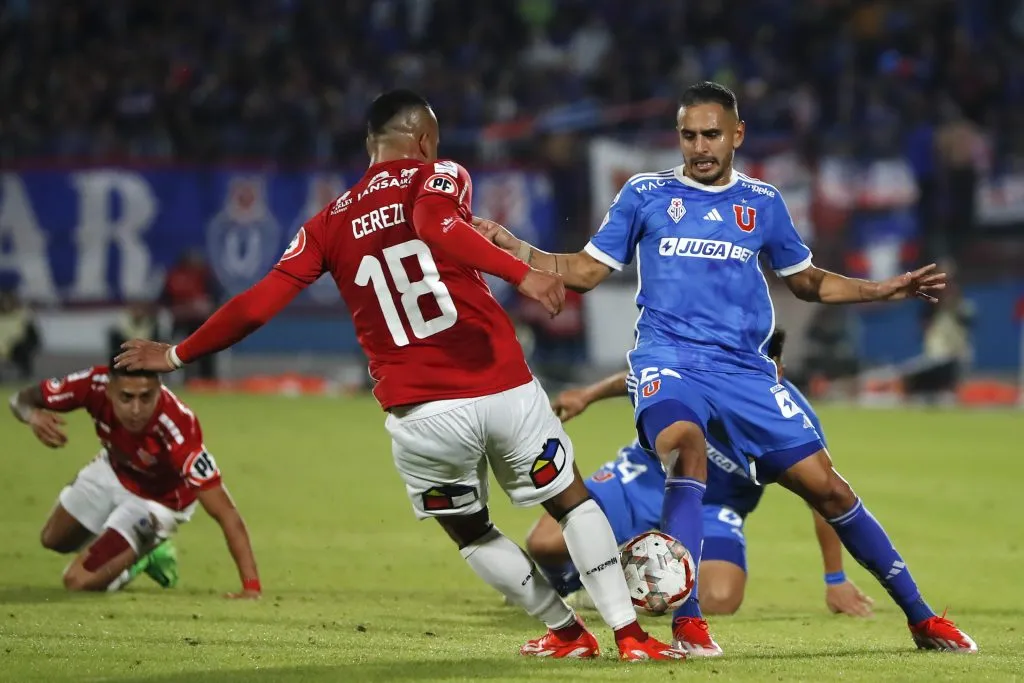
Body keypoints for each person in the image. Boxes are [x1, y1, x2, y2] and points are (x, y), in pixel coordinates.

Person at [115, 90, 683, 661]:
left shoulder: (326, 224)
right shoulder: (439, 176)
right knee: (571, 504)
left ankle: (565, 633)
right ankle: (629, 634)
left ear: (370, 144)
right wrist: (522, 274)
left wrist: (176, 355)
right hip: (503, 388)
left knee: (471, 531)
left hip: (421, 413)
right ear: (424, 140)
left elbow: (259, 303)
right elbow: (433, 224)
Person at [471, 81, 976, 655]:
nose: (699, 146)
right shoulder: (646, 194)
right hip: (669, 358)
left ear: (737, 135)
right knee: (685, 445)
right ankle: (688, 625)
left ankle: (921, 618)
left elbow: (807, 283)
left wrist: (883, 289)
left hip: (745, 373)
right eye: (689, 135)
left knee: (830, 490)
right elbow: (585, 271)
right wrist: (518, 248)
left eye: (711, 134)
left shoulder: (763, 204)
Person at [525, 330, 873, 618]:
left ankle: (624, 579)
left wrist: (836, 578)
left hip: (714, 506)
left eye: (772, 366)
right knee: (544, 543)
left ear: (780, 369)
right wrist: (588, 394)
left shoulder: (794, 417)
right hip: (645, 479)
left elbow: (821, 498)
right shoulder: (701, 368)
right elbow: (640, 376)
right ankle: (569, 584)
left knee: (721, 599)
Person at [7, 359, 261, 597]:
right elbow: (20, 400)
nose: (136, 409)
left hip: (158, 503)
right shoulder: (91, 384)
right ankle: (123, 545)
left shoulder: (178, 426)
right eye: (127, 398)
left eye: (146, 397)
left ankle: (142, 557)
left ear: (159, 391)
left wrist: (251, 587)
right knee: (53, 539)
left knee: (76, 581)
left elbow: (226, 512)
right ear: (109, 390)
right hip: (113, 469)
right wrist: (33, 416)